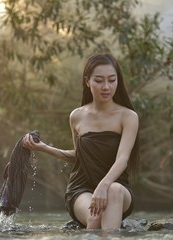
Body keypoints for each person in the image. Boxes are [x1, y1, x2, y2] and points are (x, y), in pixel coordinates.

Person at [23, 53, 139, 230]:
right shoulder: (76, 116)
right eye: (99, 80)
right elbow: (79, 156)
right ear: (87, 81)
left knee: (114, 190)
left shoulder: (128, 116)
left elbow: (122, 159)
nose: (106, 86)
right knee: (95, 217)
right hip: (81, 189)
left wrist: (103, 186)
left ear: (118, 81)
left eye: (112, 80)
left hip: (118, 188)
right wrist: (44, 148)